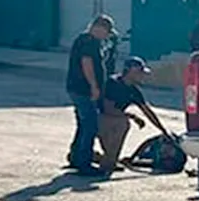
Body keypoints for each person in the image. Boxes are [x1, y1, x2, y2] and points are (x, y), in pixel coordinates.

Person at [97, 56, 166, 175]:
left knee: (120, 124)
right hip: (99, 117)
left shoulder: (134, 90)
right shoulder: (113, 82)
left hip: (113, 118)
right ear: (131, 71)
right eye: (140, 73)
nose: (142, 76)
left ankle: (104, 159)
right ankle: (106, 161)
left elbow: (147, 111)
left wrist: (163, 130)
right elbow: (108, 109)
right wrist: (132, 116)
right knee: (122, 123)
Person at [65, 14, 114, 176]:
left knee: (83, 123)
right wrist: (94, 86)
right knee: (90, 125)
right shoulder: (88, 42)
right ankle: (84, 162)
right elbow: (87, 63)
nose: (107, 36)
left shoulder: (86, 40)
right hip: (83, 89)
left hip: (78, 88)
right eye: (106, 32)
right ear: (98, 28)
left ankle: (75, 157)